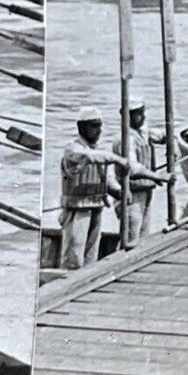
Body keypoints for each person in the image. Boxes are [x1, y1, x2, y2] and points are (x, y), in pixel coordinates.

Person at [58, 110, 134, 272]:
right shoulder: (73, 149)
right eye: (94, 126)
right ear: (81, 127)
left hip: (96, 207)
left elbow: (106, 180)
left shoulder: (100, 151)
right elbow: (90, 157)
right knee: (74, 256)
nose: (99, 131)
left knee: (90, 257)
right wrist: (117, 159)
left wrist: (119, 191)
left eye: (100, 126)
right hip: (77, 209)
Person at [118, 99, 172, 247]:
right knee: (131, 236)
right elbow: (133, 168)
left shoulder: (143, 133)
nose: (143, 117)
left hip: (145, 190)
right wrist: (158, 177)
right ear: (127, 116)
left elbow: (162, 136)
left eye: (143, 113)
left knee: (143, 235)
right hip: (131, 195)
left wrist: (173, 138)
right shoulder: (125, 138)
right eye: (138, 114)